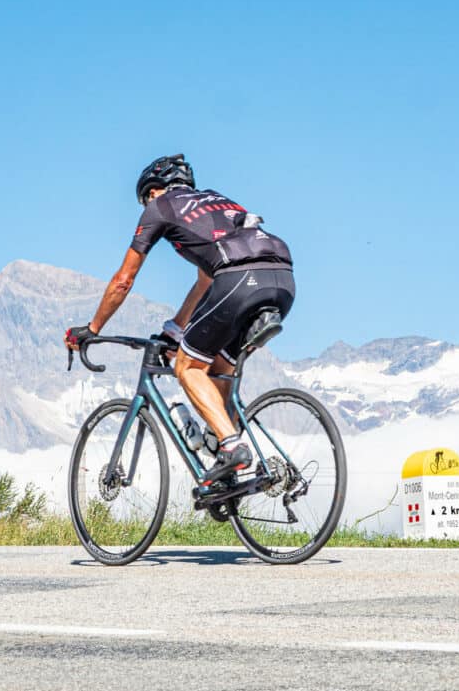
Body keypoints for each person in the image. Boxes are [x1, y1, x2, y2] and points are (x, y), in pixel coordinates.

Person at [64, 153, 294, 484]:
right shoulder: (216, 201)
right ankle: (226, 459)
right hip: (282, 278)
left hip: (239, 278)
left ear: (153, 190)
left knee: (187, 367)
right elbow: (205, 280)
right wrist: (174, 329)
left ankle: (231, 447)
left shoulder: (160, 205)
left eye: (145, 199)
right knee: (218, 368)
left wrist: (92, 328)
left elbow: (123, 280)